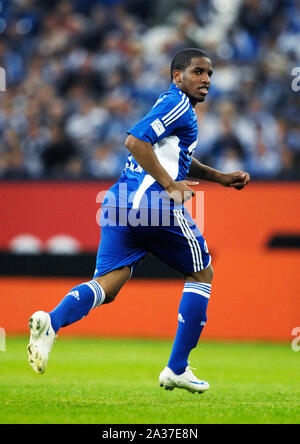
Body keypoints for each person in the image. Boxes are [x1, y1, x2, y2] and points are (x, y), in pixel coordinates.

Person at [28, 48, 250, 394]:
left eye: (209, 74)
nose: (206, 80)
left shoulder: (173, 106)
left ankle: (52, 323)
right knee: (201, 272)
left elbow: (173, 156)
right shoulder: (177, 105)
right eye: (198, 72)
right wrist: (169, 184)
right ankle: (177, 368)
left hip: (119, 203)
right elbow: (134, 141)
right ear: (178, 76)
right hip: (152, 204)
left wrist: (220, 178)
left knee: (109, 283)